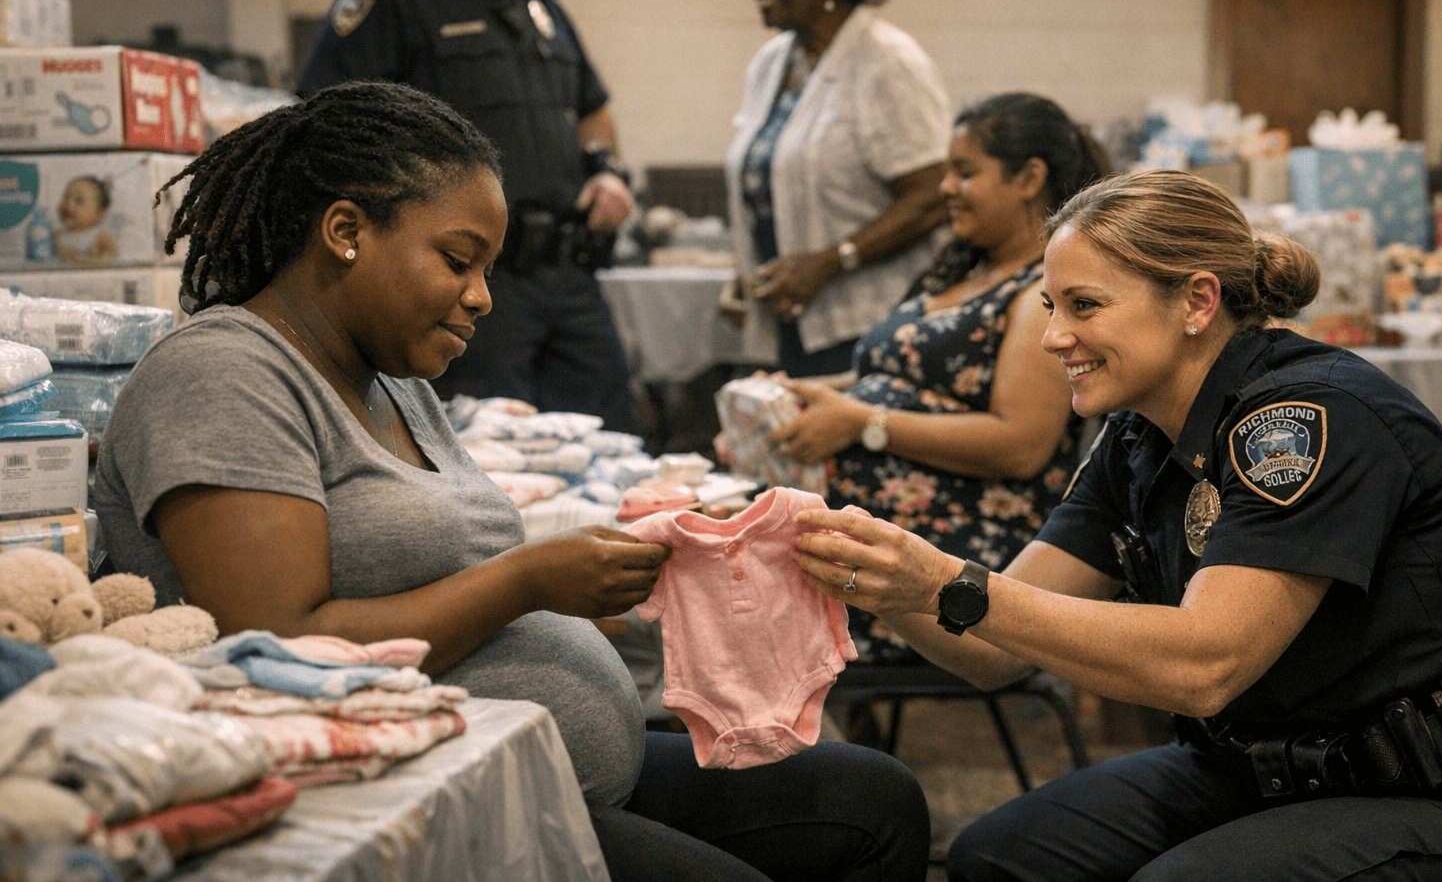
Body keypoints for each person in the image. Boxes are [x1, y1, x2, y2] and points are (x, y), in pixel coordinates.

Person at [94, 82, 931, 882]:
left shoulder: (393, 382)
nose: (482, 298)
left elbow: (450, 568)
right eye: (459, 262)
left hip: (545, 757)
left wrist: (655, 554)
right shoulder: (223, 373)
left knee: (873, 800)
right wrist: (530, 578)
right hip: (422, 790)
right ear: (345, 229)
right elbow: (278, 642)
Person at [792, 169, 1442, 881]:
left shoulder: (1307, 419)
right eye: (1051, 308)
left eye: (1084, 306)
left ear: (1197, 302)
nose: (1054, 338)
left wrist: (950, 582)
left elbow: (1205, 666)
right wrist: (879, 578)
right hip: (1274, 765)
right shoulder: (1136, 435)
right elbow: (993, 655)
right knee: (1002, 856)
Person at [296, 0, 639, 433]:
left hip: (569, 275)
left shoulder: (539, 3)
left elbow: (593, 107)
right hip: (472, 285)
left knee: (615, 446)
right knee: (490, 456)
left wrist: (606, 170)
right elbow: (323, 125)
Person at [768, 93, 1104, 665]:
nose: (944, 188)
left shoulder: (1044, 293)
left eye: (964, 172)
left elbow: (1022, 444)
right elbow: (894, 375)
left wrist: (863, 422)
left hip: (962, 547)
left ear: (1029, 179)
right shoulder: (964, 271)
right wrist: (810, 395)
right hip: (881, 526)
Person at [722, 0, 950, 377]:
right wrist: (745, 271)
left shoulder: (887, 62)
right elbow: (769, 183)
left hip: (870, 322)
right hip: (788, 321)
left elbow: (933, 196)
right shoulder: (771, 62)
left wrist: (831, 262)